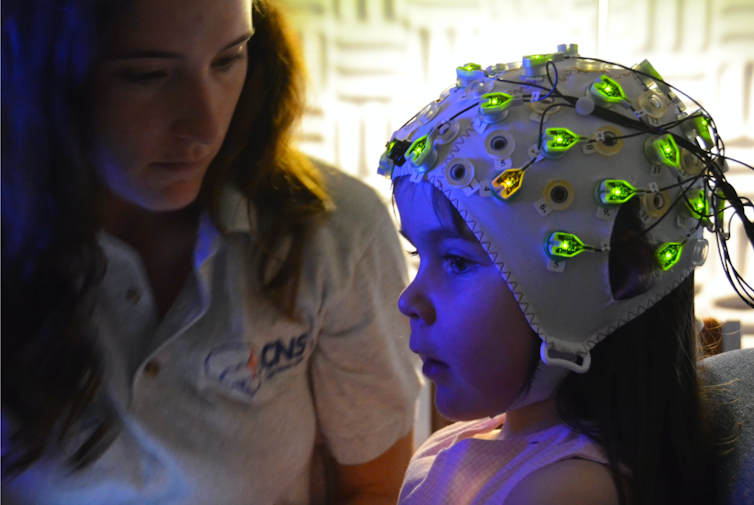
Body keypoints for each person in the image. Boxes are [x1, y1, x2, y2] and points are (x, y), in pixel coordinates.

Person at [1, 0, 420, 503]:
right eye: (147, 75)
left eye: (227, 60)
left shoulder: (332, 232)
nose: (204, 127)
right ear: (41, 78)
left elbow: (375, 488)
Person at [377, 45, 754, 504]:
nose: (409, 300)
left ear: (608, 283)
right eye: (419, 254)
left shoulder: (563, 491)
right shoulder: (481, 439)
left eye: (457, 261)